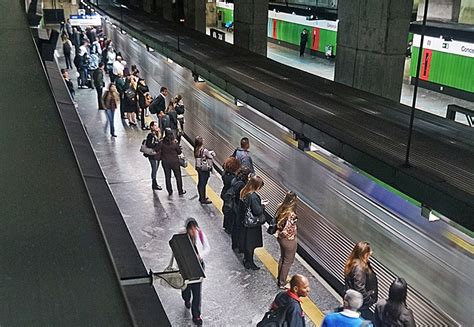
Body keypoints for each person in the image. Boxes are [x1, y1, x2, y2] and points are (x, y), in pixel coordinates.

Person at [181, 218, 209, 326]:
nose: (193, 231)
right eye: (190, 228)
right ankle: (186, 298)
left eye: (194, 228)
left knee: (197, 291)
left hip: (198, 266)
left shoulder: (201, 234)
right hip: (186, 267)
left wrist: (199, 256)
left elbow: (207, 248)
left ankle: (196, 315)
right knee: (186, 288)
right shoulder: (182, 237)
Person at [344, 241, 379, 320]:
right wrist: (369, 300)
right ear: (364, 253)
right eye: (369, 251)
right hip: (361, 305)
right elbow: (359, 288)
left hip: (356, 302)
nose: (371, 253)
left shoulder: (353, 262)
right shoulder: (359, 268)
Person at [239, 175, 266, 270]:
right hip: (252, 225)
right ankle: (249, 262)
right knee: (250, 244)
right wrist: (262, 206)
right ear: (256, 186)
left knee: (247, 243)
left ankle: (246, 260)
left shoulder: (244, 191)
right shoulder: (253, 197)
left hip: (245, 223)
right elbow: (257, 211)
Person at [275, 191, 298, 289]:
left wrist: (279, 233)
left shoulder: (280, 206)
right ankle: (282, 283)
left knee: (283, 258)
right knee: (288, 261)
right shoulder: (291, 214)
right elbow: (286, 229)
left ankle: (280, 278)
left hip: (280, 239)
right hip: (289, 240)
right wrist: (288, 234)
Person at [230, 167, 251, 251]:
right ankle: (240, 246)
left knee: (235, 227)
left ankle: (234, 244)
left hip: (234, 207)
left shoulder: (235, 180)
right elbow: (242, 198)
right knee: (239, 229)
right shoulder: (242, 185)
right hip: (238, 209)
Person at [160, 128, 186, 196]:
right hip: (175, 162)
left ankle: (170, 191)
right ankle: (180, 191)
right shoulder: (174, 143)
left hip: (165, 162)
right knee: (178, 177)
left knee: (167, 177)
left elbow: (157, 149)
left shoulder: (162, 142)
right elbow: (179, 152)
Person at [221, 157, 241, 234]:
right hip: (230, 197)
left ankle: (226, 225)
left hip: (224, 193)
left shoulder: (224, 173)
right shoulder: (233, 179)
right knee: (231, 213)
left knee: (226, 211)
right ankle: (230, 228)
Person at [194, 136, 216, 204]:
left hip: (199, 168)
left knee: (200, 182)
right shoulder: (204, 150)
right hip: (204, 169)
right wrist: (211, 153)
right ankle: (203, 199)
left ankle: (201, 197)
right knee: (203, 183)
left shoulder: (196, 149)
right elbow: (210, 157)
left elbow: (202, 155)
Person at [145, 121, 163, 190]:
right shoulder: (150, 135)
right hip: (152, 156)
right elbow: (149, 144)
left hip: (157, 155)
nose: (156, 127)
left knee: (156, 169)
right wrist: (156, 144)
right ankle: (154, 183)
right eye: (155, 125)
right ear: (151, 127)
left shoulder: (156, 134)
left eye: (157, 125)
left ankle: (155, 183)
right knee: (154, 169)